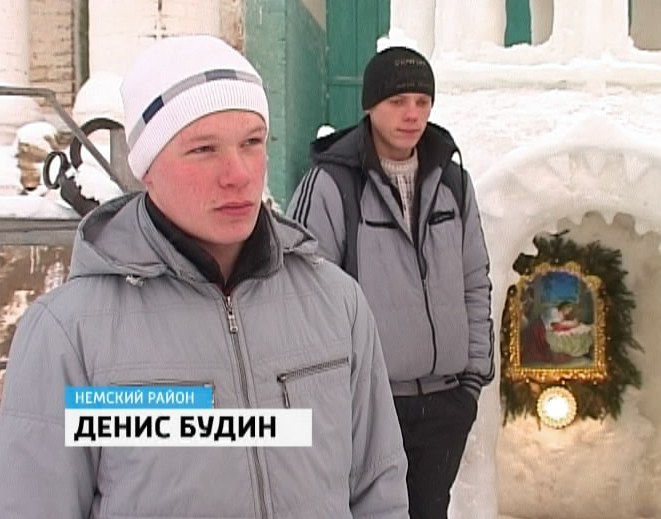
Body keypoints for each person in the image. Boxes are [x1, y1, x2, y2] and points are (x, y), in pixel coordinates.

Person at [0, 35, 409, 518]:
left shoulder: (336, 303)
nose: (237, 173)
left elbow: (378, 491)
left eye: (252, 142)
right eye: (203, 149)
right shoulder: (70, 334)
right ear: (146, 168)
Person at [286, 46, 494, 519]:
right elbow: (303, 297)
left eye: (422, 101)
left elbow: (474, 282)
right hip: (369, 407)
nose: (412, 114)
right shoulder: (331, 185)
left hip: (445, 404)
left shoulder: (454, 183)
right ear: (370, 105)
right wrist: (332, 398)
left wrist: (471, 382)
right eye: (398, 101)